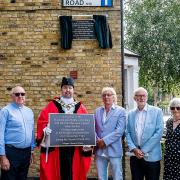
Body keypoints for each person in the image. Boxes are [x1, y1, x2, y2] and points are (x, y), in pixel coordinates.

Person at [36, 77, 92, 180]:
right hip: (57, 149)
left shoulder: (80, 107)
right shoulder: (52, 105)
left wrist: (87, 140)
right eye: (65, 88)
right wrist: (45, 130)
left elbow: (86, 127)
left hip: (74, 148)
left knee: (72, 173)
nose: (68, 90)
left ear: (73, 90)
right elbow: (42, 122)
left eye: (70, 88)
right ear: (61, 89)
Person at [126, 87, 164, 180]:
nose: (142, 98)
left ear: (147, 97)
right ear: (135, 98)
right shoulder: (130, 114)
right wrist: (134, 149)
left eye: (144, 95)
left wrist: (143, 150)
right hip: (135, 157)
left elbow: (158, 133)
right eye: (139, 95)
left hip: (152, 157)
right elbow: (127, 132)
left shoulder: (157, 111)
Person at [0, 86, 35, 180]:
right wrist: (3, 157)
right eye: (17, 94)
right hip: (11, 153)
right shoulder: (5, 111)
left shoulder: (29, 111)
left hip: (26, 153)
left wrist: (31, 151)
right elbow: (0, 134)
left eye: (22, 94)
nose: (20, 96)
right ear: (12, 96)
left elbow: (32, 132)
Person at [94, 87, 126, 180]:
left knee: (117, 177)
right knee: (101, 177)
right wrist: (97, 140)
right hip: (100, 150)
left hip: (114, 149)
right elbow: (93, 128)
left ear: (114, 97)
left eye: (109, 95)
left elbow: (119, 131)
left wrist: (104, 141)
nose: (106, 97)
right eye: (104, 95)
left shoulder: (121, 111)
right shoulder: (97, 111)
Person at [163, 98, 180, 180]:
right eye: (172, 108)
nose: (175, 110)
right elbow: (167, 138)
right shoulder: (169, 121)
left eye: (178, 108)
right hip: (169, 158)